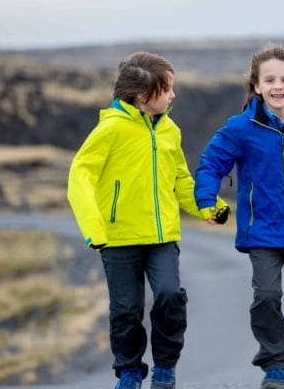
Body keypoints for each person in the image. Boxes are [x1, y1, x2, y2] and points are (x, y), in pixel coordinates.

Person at [67, 51, 227, 389]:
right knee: (127, 309)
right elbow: (79, 176)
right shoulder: (109, 129)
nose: (173, 95)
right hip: (117, 238)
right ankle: (129, 371)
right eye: (167, 89)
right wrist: (94, 228)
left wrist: (208, 206)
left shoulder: (170, 130)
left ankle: (165, 367)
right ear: (143, 96)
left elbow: (181, 180)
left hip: (161, 237)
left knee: (170, 295)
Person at [194, 43, 284, 389]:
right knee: (267, 297)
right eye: (270, 79)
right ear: (256, 86)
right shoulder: (240, 128)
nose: (278, 86)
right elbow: (211, 164)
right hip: (261, 231)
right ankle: (275, 365)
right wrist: (206, 200)